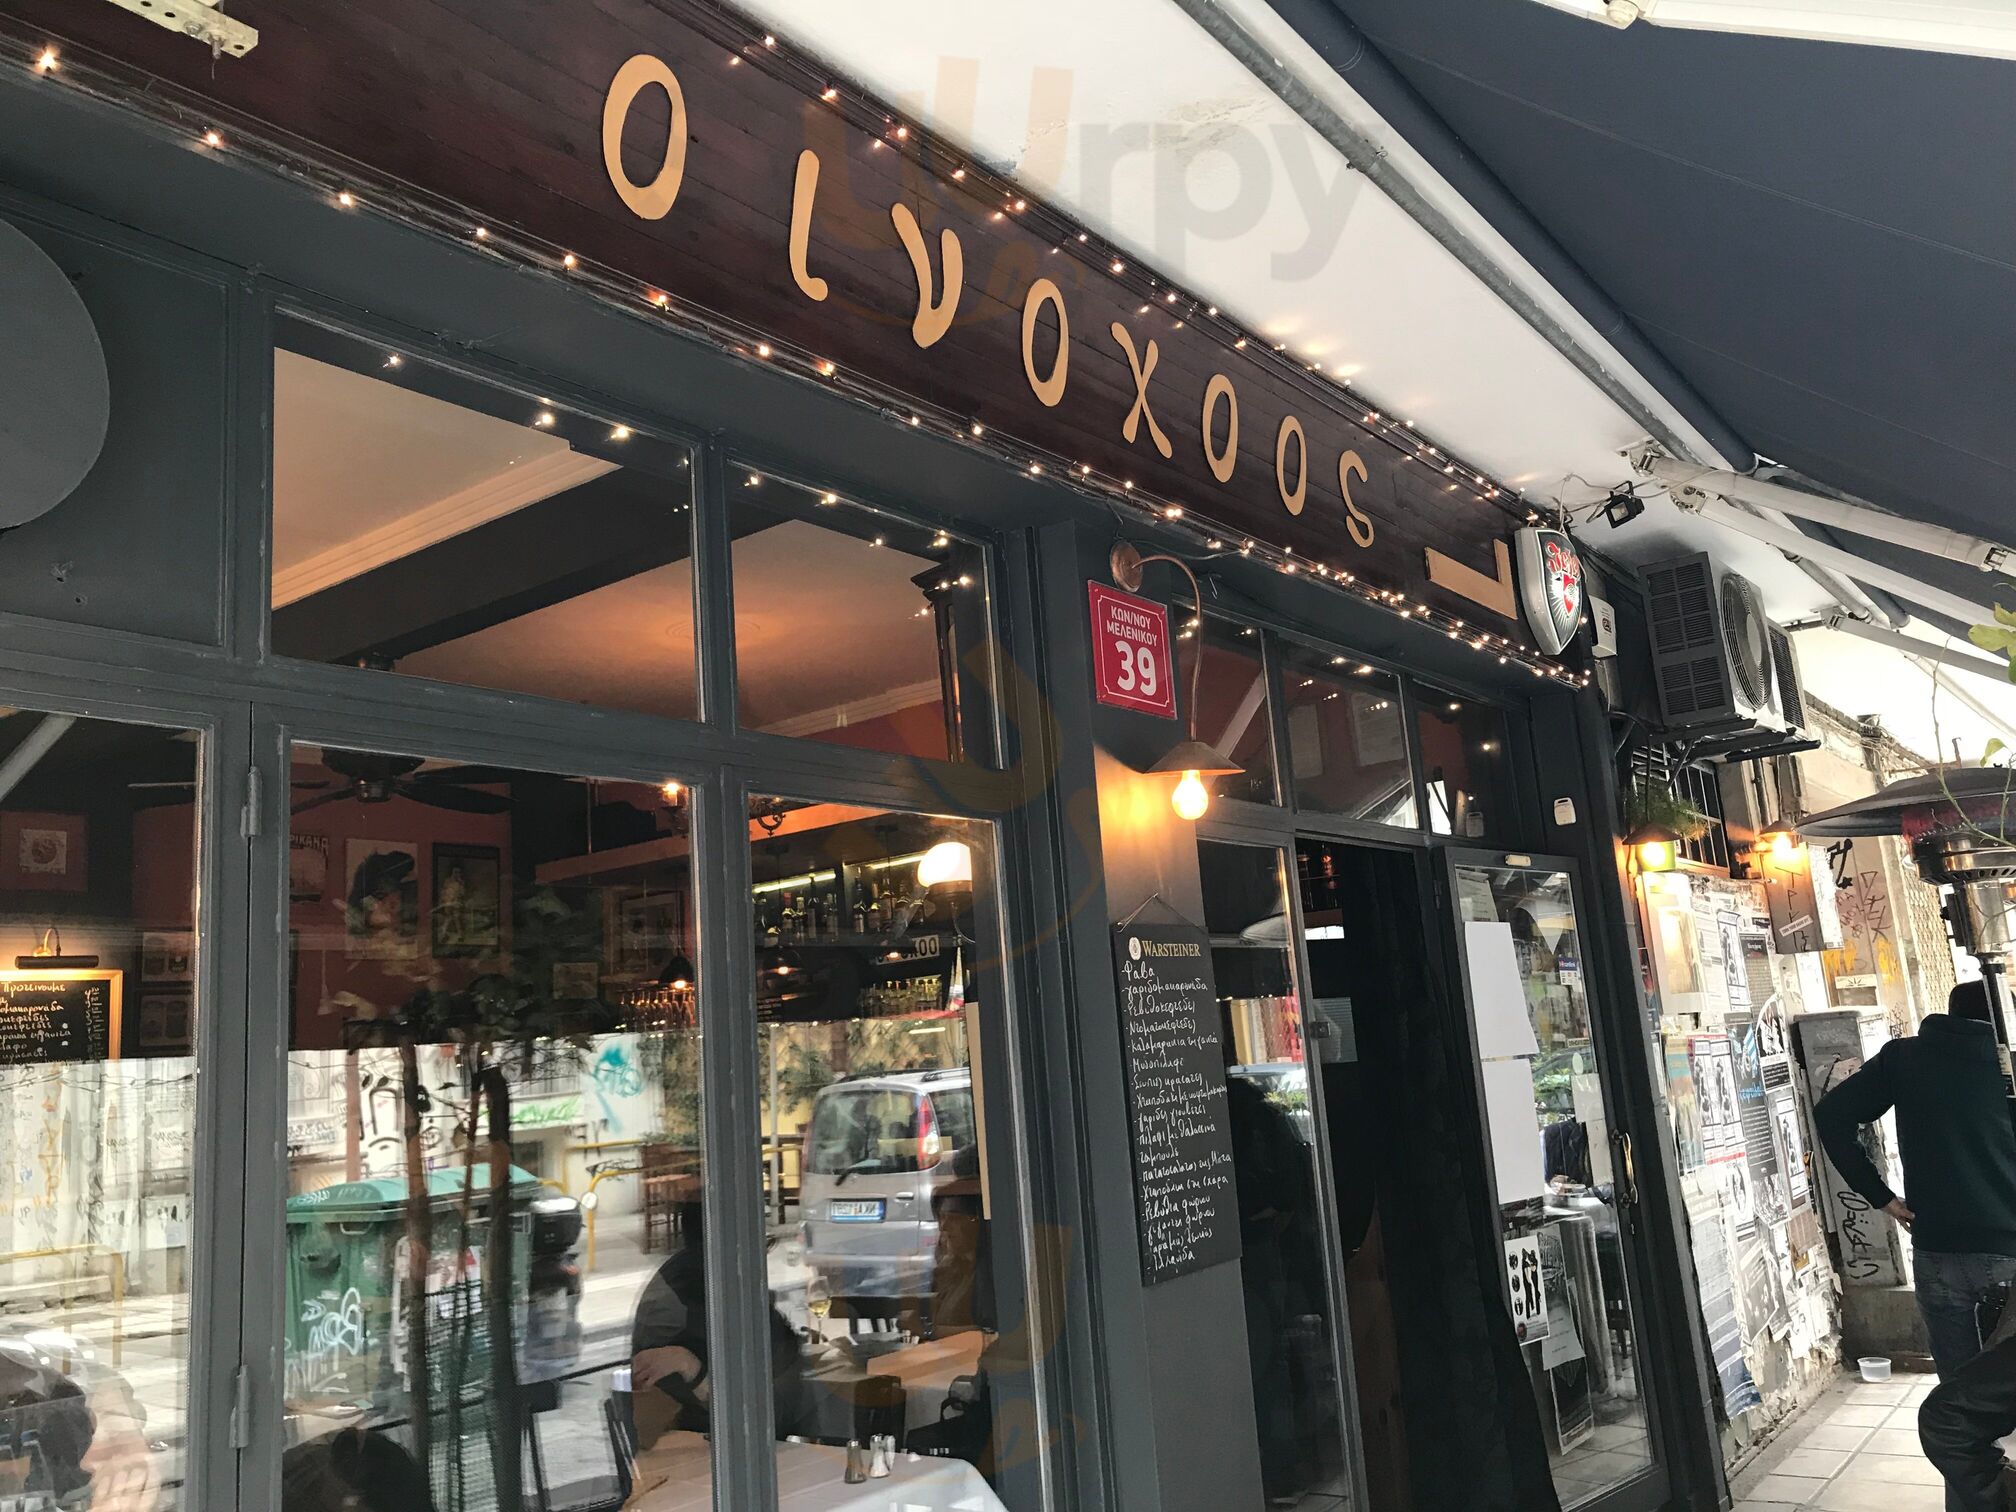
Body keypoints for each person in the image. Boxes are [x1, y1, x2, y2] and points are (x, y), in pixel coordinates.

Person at [1815, 981, 2016, 1385]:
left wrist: (1882, 1197)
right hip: (2007, 1249)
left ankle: (1969, 1428)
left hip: (1936, 1248)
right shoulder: (2007, 1066)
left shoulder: (1904, 1057)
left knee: (1958, 1390)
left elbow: (1832, 1115)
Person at [629, 1201, 808, 1448]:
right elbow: (748, 1407)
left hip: (713, 1436)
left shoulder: (692, 1274)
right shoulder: (706, 1284)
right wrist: (688, 1365)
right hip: (707, 1445)